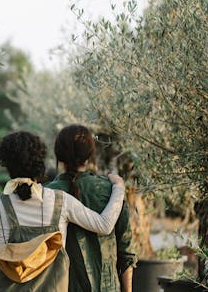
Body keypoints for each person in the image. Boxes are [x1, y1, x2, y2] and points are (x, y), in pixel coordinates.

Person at [0, 131, 126, 291]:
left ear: (5, 163)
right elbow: (104, 225)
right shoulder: (59, 200)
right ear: (40, 162)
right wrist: (119, 188)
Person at [46, 124, 137, 292]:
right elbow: (126, 253)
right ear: (90, 154)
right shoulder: (111, 191)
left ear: (59, 155)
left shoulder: (47, 194)